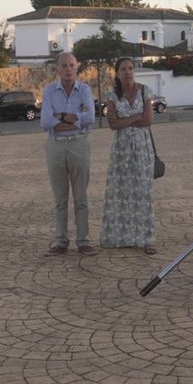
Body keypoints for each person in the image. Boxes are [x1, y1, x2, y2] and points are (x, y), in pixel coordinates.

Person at [39, 52, 98, 256]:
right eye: (64, 65)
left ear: (77, 67)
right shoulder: (49, 92)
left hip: (79, 145)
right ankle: (61, 240)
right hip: (55, 147)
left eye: (72, 65)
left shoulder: (84, 90)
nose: (68, 69)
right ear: (57, 69)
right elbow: (45, 122)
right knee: (60, 198)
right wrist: (72, 119)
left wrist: (60, 118)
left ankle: (83, 240)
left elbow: (90, 117)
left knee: (81, 196)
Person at [99, 57, 156, 253]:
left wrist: (127, 119)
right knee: (121, 193)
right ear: (117, 72)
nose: (127, 72)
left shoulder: (144, 90)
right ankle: (121, 237)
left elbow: (149, 119)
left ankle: (147, 238)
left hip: (142, 147)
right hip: (121, 150)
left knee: (143, 192)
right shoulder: (112, 94)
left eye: (130, 68)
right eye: (123, 69)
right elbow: (113, 124)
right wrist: (135, 118)